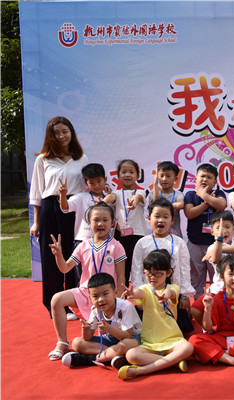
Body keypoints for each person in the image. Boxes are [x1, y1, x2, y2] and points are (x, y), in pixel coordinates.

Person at [47, 202, 126, 361]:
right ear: (89, 222)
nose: (100, 223)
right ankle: (62, 342)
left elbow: (121, 276)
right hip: (86, 292)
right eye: (96, 220)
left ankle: (110, 351)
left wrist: (119, 299)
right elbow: (65, 268)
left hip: (108, 295)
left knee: (112, 335)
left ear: (112, 223)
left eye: (105, 220)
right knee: (56, 299)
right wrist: (58, 255)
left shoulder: (116, 247)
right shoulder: (83, 245)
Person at [29, 116, 88, 316]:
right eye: (56, 133)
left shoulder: (81, 158)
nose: (61, 136)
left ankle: (72, 300)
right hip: (50, 207)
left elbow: (87, 186)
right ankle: (53, 303)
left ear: (71, 133)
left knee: (73, 253)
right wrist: (36, 222)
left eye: (65, 131)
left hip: (73, 208)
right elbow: (37, 192)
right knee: (51, 254)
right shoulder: (43, 159)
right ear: (50, 136)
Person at [119, 250, 194, 379]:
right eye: (149, 273)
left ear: (168, 273)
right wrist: (132, 294)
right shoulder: (145, 289)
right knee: (131, 355)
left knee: (188, 347)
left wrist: (166, 295)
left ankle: (143, 370)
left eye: (158, 273)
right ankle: (174, 362)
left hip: (173, 341)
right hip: (150, 343)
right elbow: (138, 293)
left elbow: (171, 293)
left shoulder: (173, 287)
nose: (152, 277)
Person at [130, 198, 195, 332]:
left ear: (172, 220)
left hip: (172, 295)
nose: (161, 220)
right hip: (148, 295)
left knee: (180, 332)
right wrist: (138, 299)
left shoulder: (179, 242)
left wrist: (184, 295)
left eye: (165, 217)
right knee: (145, 332)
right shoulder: (142, 243)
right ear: (149, 218)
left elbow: (184, 270)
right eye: (157, 216)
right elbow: (136, 270)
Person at [61, 273, 141, 368]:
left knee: (127, 344)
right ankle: (114, 355)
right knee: (76, 343)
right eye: (95, 296)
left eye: (105, 294)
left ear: (115, 292)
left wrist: (109, 329)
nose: (101, 299)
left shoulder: (125, 306)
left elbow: (127, 336)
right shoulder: (95, 309)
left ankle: (92, 359)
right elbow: (87, 338)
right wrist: (85, 330)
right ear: (90, 298)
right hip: (110, 340)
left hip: (132, 338)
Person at [58, 163, 110, 281]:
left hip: (106, 243)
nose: (96, 185)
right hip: (83, 242)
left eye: (99, 181)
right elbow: (65, 208)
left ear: (105, 179)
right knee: (83, 277)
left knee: (105, 276)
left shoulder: (110, 199)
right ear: (86, 183)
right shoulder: (80, 197)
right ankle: (83, 293)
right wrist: (63, 195)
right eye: (92, 183)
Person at [183, 163, 227, 297]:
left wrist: (204, 195)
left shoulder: (218, 193)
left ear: (215, 182)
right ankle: (197, 304)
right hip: (194, 243)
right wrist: (206, 203)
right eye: (202, 176)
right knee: (195, 277)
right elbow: (189, 213)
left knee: (218, 277)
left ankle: (217, 303)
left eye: (209, 177)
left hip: (215, 245)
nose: (204, 179)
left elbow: (222, 205)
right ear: (196, 178)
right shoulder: (190, 195)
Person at [104, 159, 146, 284]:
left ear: (137, 175)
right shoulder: (116, 193)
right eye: (124, 172)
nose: (127, 175)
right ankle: (122, 293)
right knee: (122, 268)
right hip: (120, 235)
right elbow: (111, 197)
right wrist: (103, 202)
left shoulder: (141, 192)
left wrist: (133, 203)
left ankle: (139, 294)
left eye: (131, 172)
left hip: (137, 235)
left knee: (138, 267)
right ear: (118, 175)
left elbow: (138, 198)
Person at [204, 211, 234, 293]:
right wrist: (219, 240)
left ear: (233, 229)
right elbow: (215, 260)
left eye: (227, 227)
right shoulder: (212, 247)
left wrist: (219, 249)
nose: (223, 231)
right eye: (219, 228)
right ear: (212, 231)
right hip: (220, 288)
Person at [150, 161, 185, 237]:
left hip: (175, 235)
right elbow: (155, 204)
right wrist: (155, 184)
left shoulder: (178, 194)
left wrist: (163, 206)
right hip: (158, 235)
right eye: (161, 176)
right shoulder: (152, 194)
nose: (164, 179)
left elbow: (181, 204)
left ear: (175, 179)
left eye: (168, 176)